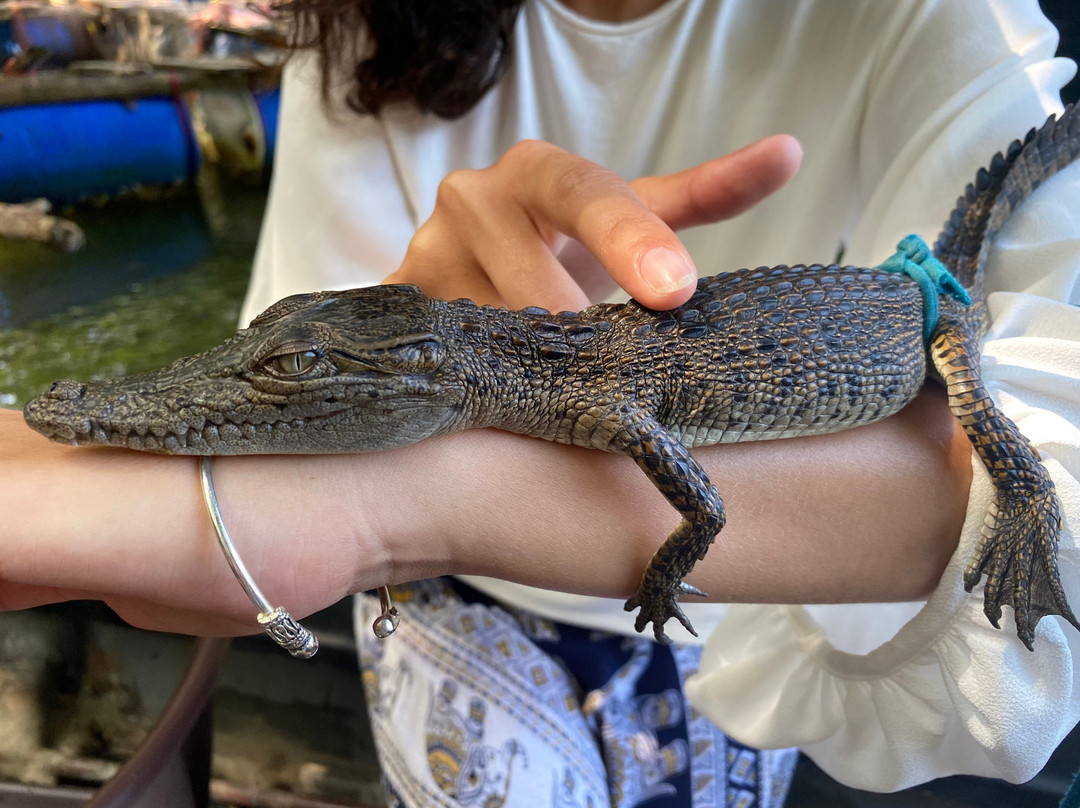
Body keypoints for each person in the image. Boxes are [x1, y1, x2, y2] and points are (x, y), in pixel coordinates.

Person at [1, 0, 1078, 804]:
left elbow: (704, 506)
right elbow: (314, 342)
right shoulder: (366, 33)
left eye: (303, 372)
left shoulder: (940, 22)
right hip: (457, 604)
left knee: (992, 424)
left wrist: (392, 513)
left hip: (734, 625)